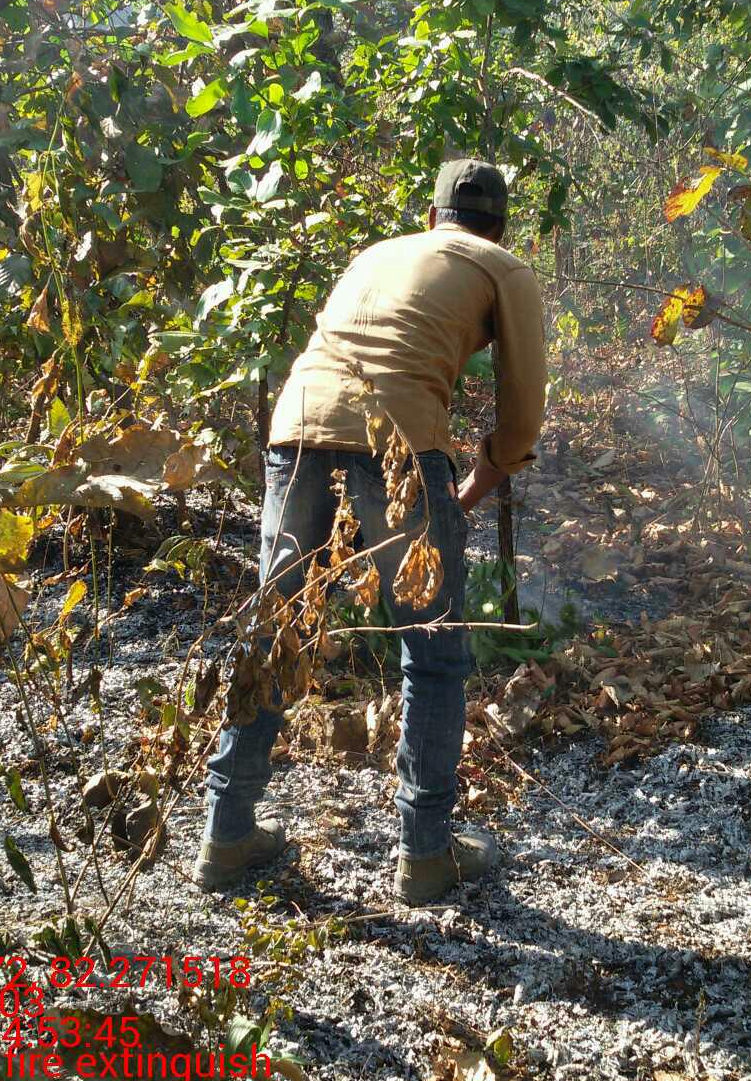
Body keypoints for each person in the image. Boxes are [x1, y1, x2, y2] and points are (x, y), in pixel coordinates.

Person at [193, 159, 547, 905]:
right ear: (500, 228)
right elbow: (520, 421)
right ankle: (426, 855)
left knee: (274, 632)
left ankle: (225, 836)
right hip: (399, 444)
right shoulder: (503, 268)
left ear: (432, 218)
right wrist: (469, 490)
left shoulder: (378, 252)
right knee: (434, 653)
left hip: (296, 429)